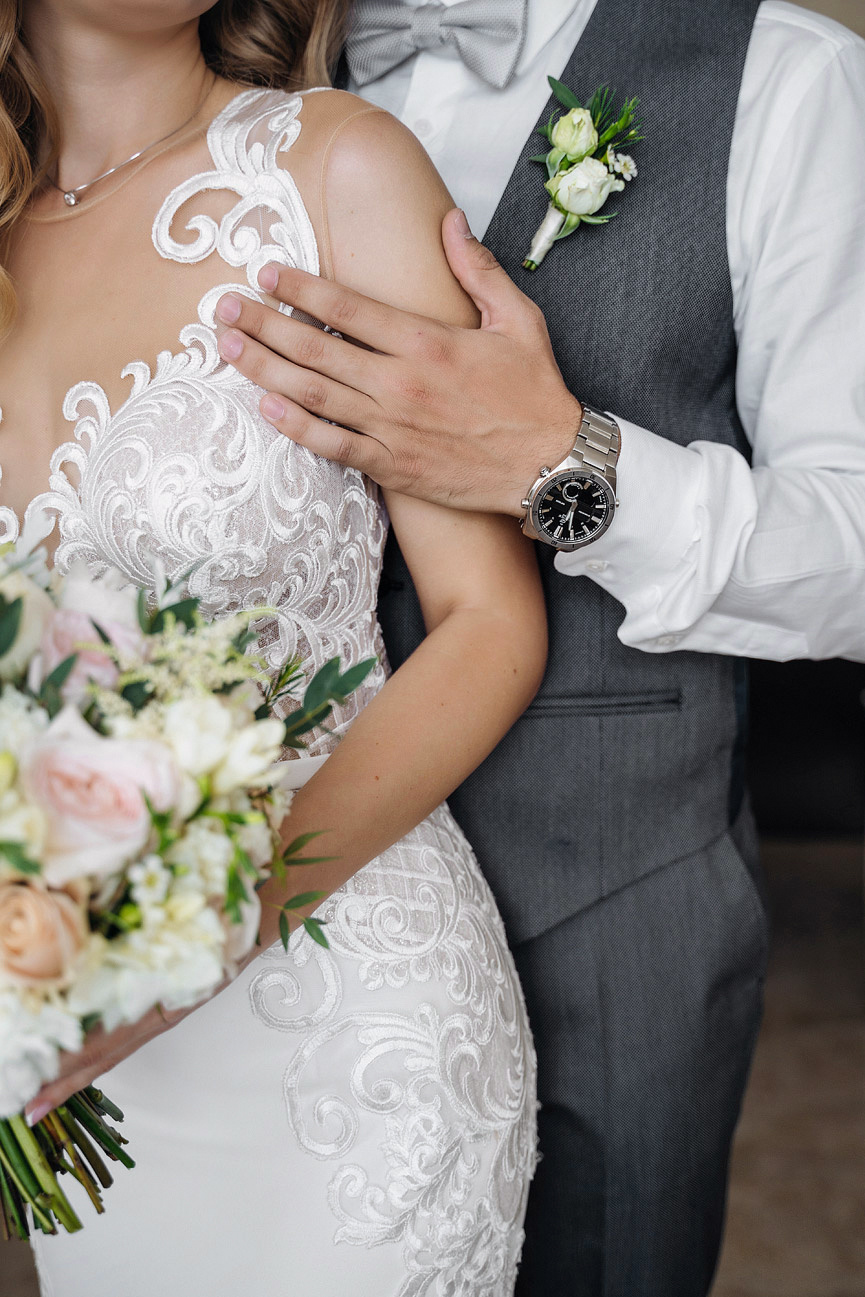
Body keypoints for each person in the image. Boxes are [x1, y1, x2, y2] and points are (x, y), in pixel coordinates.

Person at [214, 1, 865, 1294]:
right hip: (250, 927)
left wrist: (565, 469)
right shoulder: (220, 59)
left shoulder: (789, 79)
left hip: (601, 919)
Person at [0, 3, 546, 1294]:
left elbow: (488, 621)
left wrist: (205, 933)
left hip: (347, 1020)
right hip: (79, 1059)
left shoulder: (334, 170)